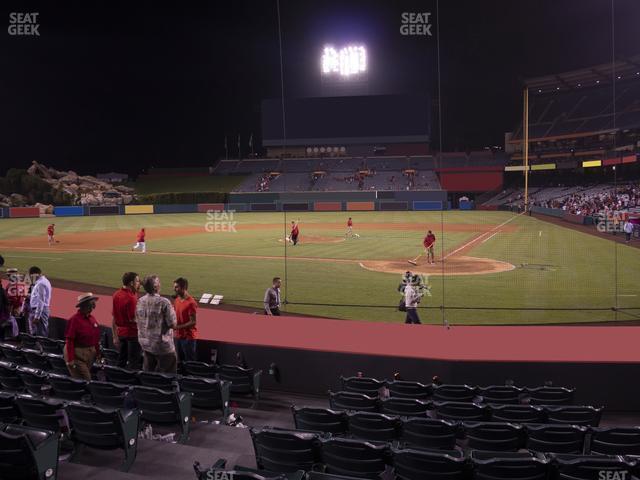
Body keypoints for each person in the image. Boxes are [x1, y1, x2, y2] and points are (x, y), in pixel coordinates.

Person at [136, 274, 177, 373]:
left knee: (149, 376)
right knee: (167, 377)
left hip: (146, 344)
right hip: (162, 346)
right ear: (155, 287)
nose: (160, 284)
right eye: (158, 282)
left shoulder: (140, 301)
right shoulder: (164, 302)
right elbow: (173, 324)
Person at [64, 293, 102, 380]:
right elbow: (69, 340)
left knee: (83, 378)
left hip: (89, 355)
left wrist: (98, 353)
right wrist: (70, 359)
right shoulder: (74, 320)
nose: (93, 306)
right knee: (86, 379)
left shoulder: (92, 319)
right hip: (77, 354)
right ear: (85, 305)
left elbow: (96, 338)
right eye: (91, 304)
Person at [112, 272, 142, 370]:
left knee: (121, 359)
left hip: (121, 333)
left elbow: (114, 316)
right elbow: (133, 319)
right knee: (133, 362)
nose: (139, 283)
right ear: (131, 283)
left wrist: (114, 336)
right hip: (132, 334)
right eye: (137, 281)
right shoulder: (131, 298)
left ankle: (117, 379)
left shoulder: (117, 294)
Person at [173, 277, 198, 363]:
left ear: (184, 288)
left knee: (190, 363)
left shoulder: (191, 303)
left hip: (188, 338)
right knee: (180, 362)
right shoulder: (176, 300)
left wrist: (178, 327)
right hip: (178, 336)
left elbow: (193, 322)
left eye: (177, 287)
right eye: (174, 287)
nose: (174, 289)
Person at [28, 266, 51, 337]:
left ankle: (41, 347)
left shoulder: (41, 283)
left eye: (31, 276)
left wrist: (37, 316)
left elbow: (41, 300)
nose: (31, 278)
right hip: (40, 309)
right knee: (38, 331)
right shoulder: (43, 281)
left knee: (41, 333)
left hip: (40, 310)